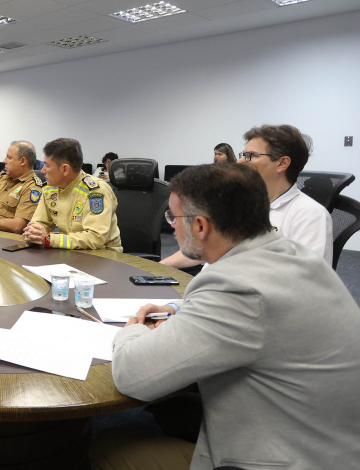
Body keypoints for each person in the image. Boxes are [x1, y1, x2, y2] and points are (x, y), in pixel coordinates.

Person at [93, 163, 360, 470]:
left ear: (201, 226)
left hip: (294, 456)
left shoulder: (236, 286)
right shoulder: (291, 255)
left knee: (108, 444)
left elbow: (130, 375)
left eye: (173, 218)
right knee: (172, 405)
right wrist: (180, 311)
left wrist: (132, 329)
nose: (172, 226)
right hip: (328, 434)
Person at [162, 124, 332, 268]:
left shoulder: (310, 215)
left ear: (282, 163)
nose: (240, 161)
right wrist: (159, 267)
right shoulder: (239, 204)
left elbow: (304, 280)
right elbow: (204, 248)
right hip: (216, 288)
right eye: (243, 155)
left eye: (251, 156)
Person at [23, 138, 122, 251]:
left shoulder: (96, 191)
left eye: (47, 166)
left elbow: (96, 238)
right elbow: (40, 222)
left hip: (103, 256)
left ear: (65, 169)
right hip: (70, 252)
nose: (43, 170)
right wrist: (35, 232)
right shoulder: (50, 188)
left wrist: (49, 239)